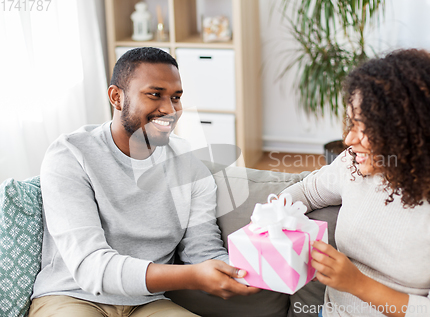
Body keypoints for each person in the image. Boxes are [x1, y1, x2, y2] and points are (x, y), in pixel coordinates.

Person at [29, 47, 258, 317]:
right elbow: (91, 268)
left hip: (147, 303)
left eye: (176, 98)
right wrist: (193, 277)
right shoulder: (70, 154)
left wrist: (253, 267)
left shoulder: (190, 166)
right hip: (72, 297)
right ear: (117, 97)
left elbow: (203, 252)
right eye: (154, 95)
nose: (170, 110)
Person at [282, 49, 430, 317]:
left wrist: (357, 283)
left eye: (363, 128)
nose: (348, 139)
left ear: (407, 134)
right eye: (351, 123)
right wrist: (276, 212)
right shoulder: (353, 165)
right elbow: (306, 191)